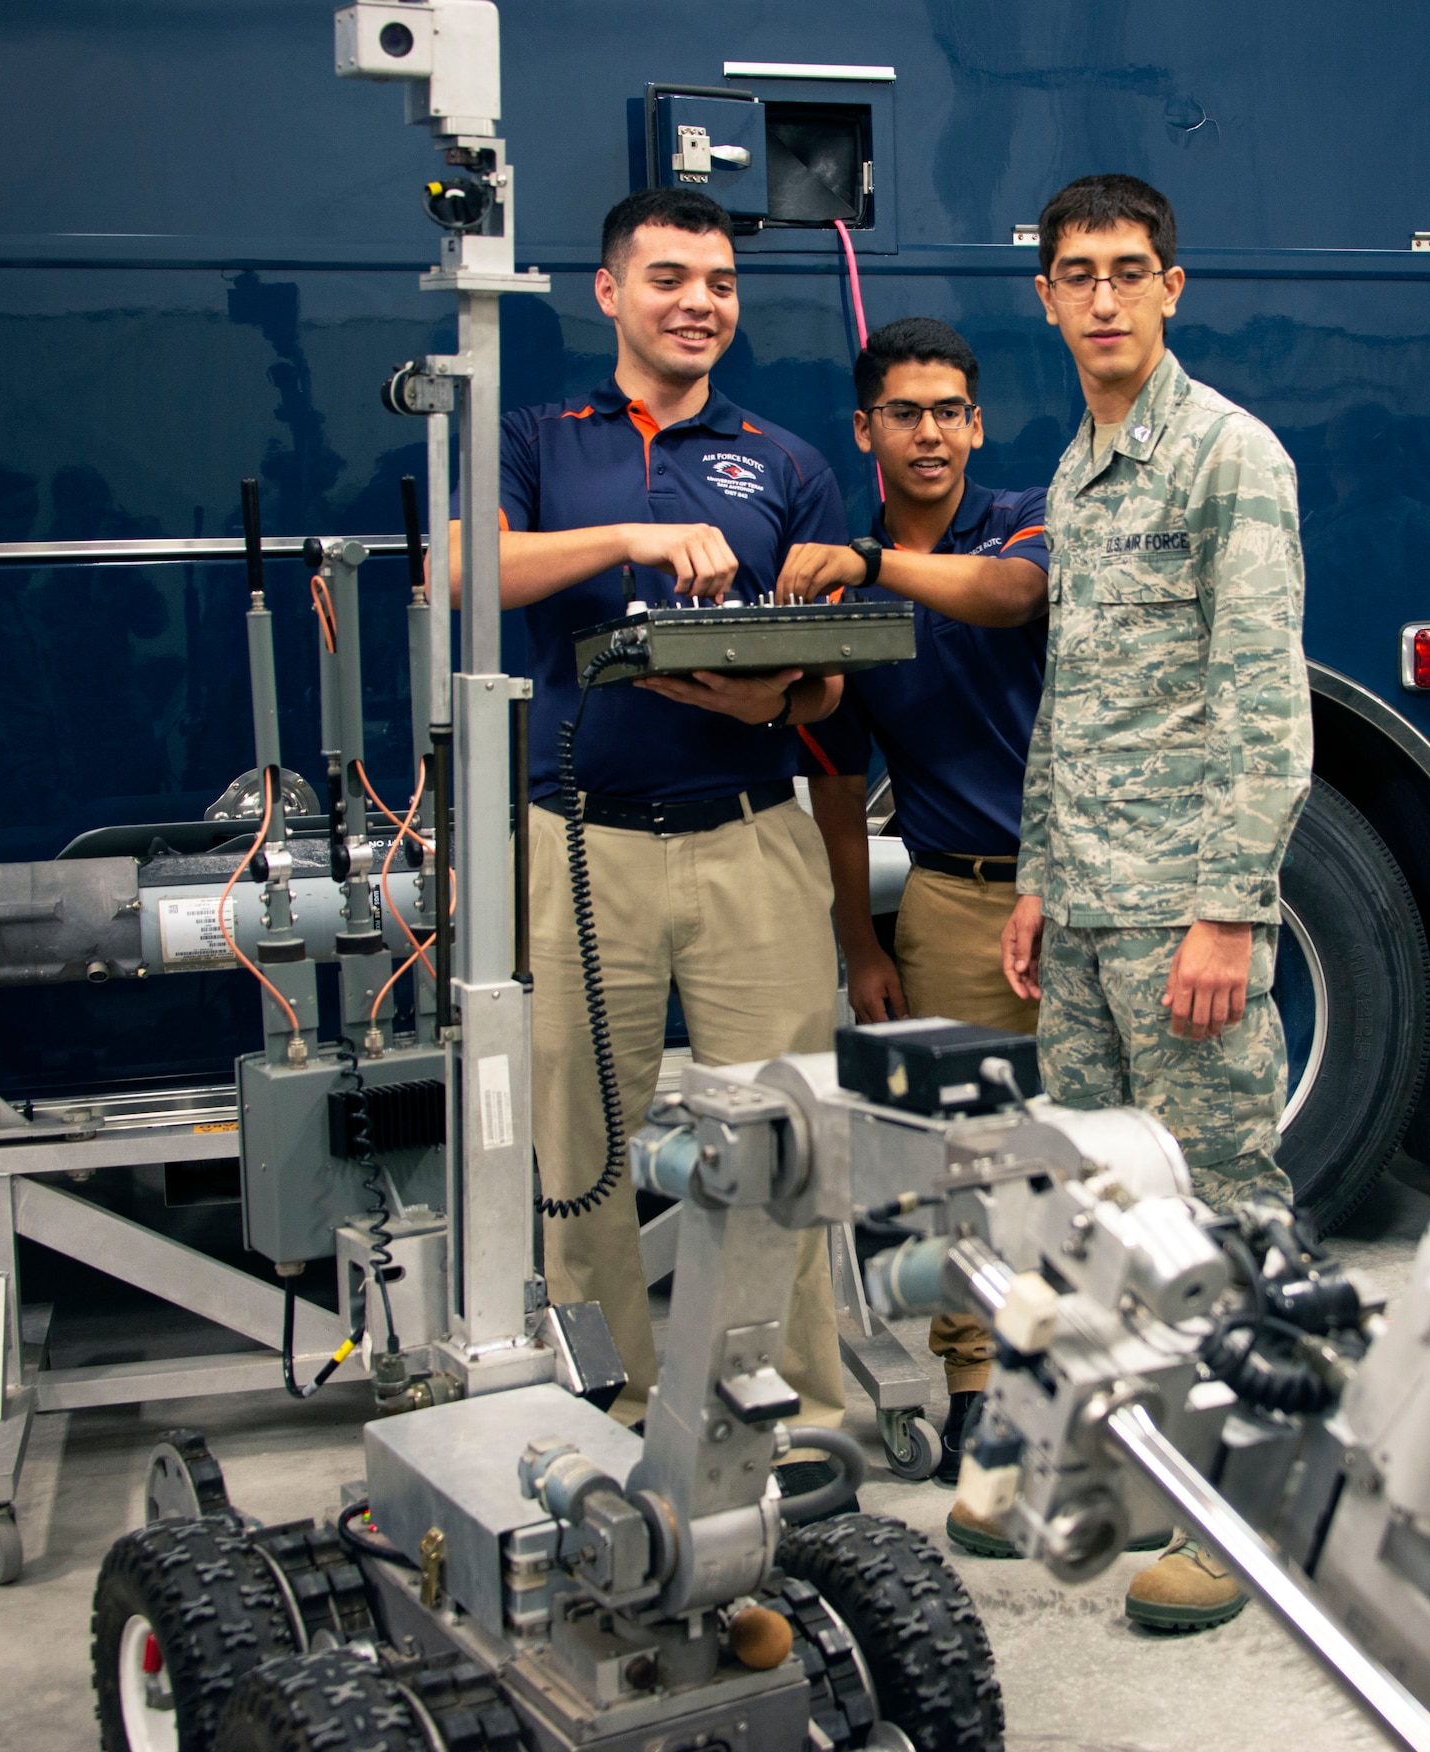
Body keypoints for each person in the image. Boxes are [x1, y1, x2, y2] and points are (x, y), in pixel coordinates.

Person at [446, 187, 849, 1428]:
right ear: (607, 291)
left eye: (720, 282)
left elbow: (830, 680)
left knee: (784, 1138)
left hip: (749, 838)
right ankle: (603, 1416)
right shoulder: (529, 436)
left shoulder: (785, 462)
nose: (699, 303)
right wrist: (633, 534)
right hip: (578, 846)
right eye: (670, 278)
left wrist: (766, 705)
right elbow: (459, 567)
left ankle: (791, 1421)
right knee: (574, 1157)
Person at [1005, 173, 1312, 1631]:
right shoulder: (1080, 464)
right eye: (1081, 273)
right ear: (1049, 297)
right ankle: (1129, 1473)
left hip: (1180, 918)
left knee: (1233, 1219)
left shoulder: (1228, 458)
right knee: (1101, 1219)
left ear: (1173, 288)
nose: (1108, 297)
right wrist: (1035, 878)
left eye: (1133, 270)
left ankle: (1258, 1513)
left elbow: (1261, 708)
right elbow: (1075, 698)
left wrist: (1231, 914)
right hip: (1082, 921)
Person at [775, 317, 1048, 1504]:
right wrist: (859, 942)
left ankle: (1091, 1390)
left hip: (1085, 892)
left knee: (1095, 1157)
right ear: (864, 431)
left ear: (975, 425)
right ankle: (978, 1390)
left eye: (948, 410)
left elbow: (1007, 596)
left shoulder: (1032, 518)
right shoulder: (837, 578)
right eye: (903, 413)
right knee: (962, 1165)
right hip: (952, 900)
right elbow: (836, 784)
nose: (928, 432)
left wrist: (868, 566)